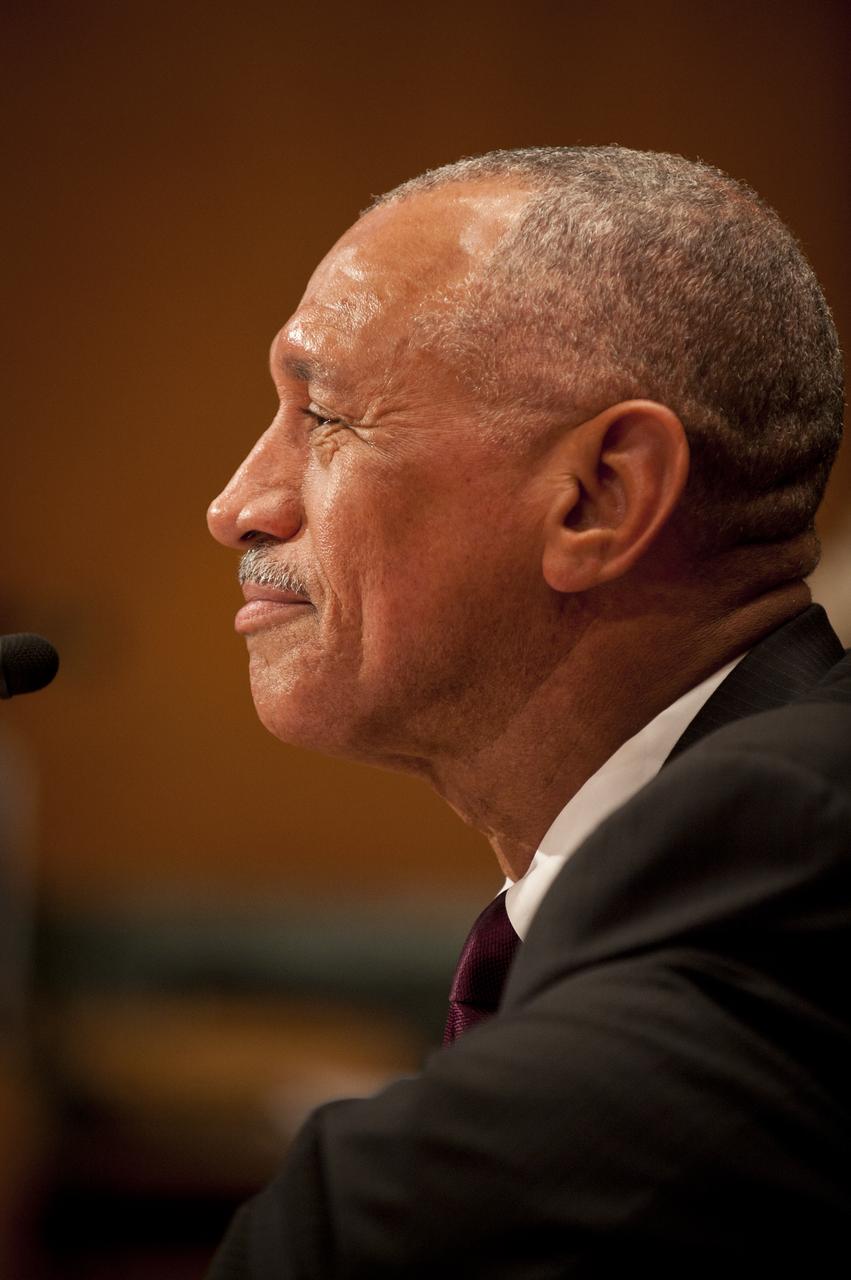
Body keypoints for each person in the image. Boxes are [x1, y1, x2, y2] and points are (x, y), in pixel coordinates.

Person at [204, 147, 850, 1276]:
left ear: (600, 496)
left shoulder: (793, 822)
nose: (237, 505)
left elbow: (363, 1233)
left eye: (325, 416)